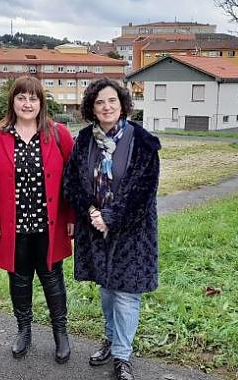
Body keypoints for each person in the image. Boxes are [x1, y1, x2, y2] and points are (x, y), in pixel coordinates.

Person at [62, 78, 161, 380]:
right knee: (107, 290)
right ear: (92, 108)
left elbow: (144, 189)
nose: (107, 107)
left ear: (122, 104)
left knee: (127, 294)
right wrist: (92, 211)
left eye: (112, 101)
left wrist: (111, 217)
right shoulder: (83, 140)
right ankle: (109, 339)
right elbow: (72, 183)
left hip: (132, 232)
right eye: (100, 102)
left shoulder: (141, 140)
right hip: (95, 230)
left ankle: (122, 355)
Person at [0, 76, 75, 363]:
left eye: (33, 98)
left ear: (41, 103)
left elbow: (71, 181)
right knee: (19, 280)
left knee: (52, 279)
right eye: (21, 97)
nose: (27, 103)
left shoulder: (58, 135)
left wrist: (71, 216)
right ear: (13, 101)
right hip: (13, 227)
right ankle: (23, 330)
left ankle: (60, 332)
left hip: (49, 225)